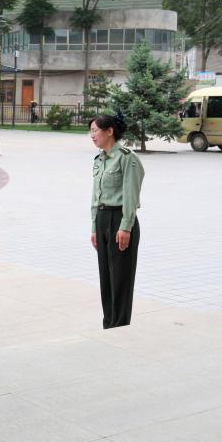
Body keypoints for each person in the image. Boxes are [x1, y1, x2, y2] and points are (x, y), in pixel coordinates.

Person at [90, 112, 145, 329]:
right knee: (106, 278)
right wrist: (94, 226)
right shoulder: (100, 160)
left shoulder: (127, 158)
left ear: (109, 131)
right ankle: (109, 324)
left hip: (120, 220)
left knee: (121, 279)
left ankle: (120, 326)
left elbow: (131, 196)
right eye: (91, 131)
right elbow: (95, 197)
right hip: (103, 220)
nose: (92, 135)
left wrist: (126, 226)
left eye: (95, 130)